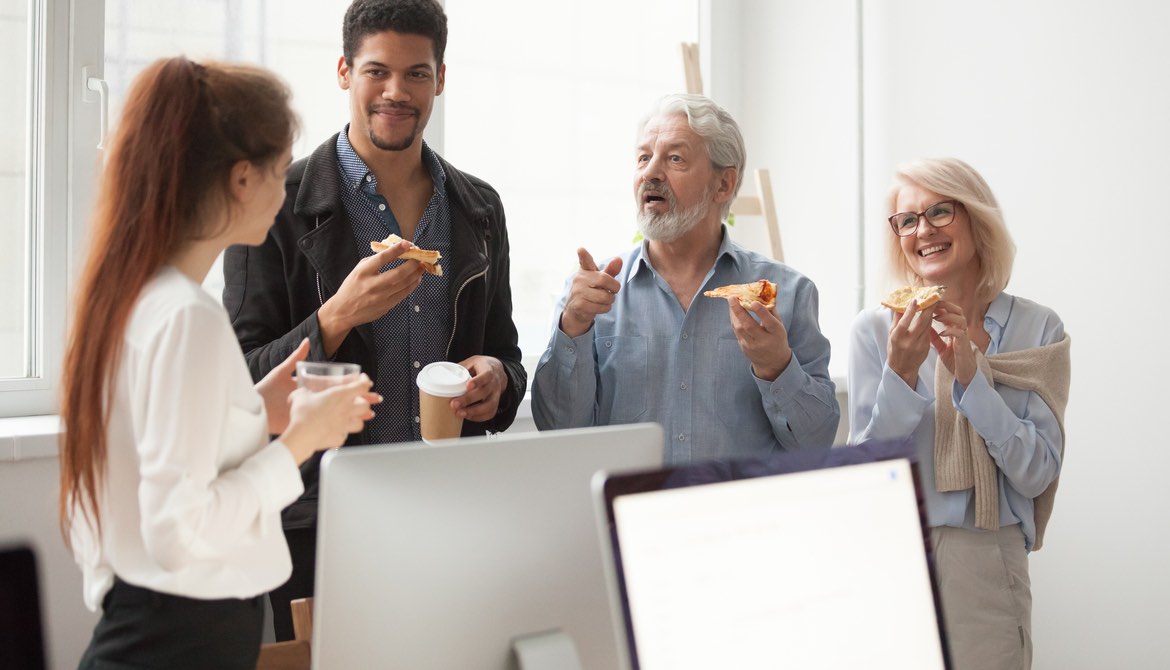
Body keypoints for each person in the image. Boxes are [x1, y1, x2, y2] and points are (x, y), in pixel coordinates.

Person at [59, 57, 378, 669]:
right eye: (280, 172)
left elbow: (154, 453)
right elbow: (179, 530)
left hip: (152, 630)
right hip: (177, 642)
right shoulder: (187, 317)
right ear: (241, 179)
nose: (284, 192)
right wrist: (301, 442)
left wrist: (252, 413)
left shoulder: (133, 300)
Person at [222, 0, 526, 640]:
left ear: (441, 78)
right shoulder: (275, 206)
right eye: (376, 71)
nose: (396, 92)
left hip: (449, 518)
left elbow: (506, 356)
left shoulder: (480, 209)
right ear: (343, 72)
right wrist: (333, 318)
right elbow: (240, 385)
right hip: (317, 523)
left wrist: (497, 378)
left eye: (417, 73)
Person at [848, 158, 1070, 670]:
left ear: (975, 219)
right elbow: (864, 475)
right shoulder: (873, 332)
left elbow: (1036, 474)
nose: (922, 230)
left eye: (939, 212)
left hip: (989, 561)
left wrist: (972, 377)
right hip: (896, 554)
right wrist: (901, 374)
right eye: (907, 220)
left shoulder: (1038, 330)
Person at [532, 93, 839, 461]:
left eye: (674, 158)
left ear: (723, 185)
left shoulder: (787, 294)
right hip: (631, 515)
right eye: (644, 157)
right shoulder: (591, 293)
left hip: (743, 516)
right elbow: (558, 431)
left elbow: (815, 443)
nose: (650, 172)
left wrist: (777, 366)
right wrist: (574, 327)